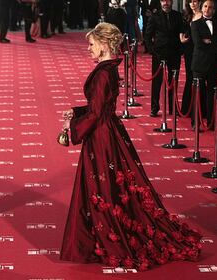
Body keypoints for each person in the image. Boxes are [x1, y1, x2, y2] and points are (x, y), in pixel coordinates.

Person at [60, 22, 202, 271]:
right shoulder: (109, 68)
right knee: (110, 188)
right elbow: (99, 106)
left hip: (102, 136)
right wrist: (75, 111)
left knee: (104, 188)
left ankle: (104, 237)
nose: (89, 49)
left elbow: (95, 114)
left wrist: (71, 131)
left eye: (92, 45)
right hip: (108, 131)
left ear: (104, 44)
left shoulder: (104, 73)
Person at [145, 0, 183, 117]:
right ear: (160, 2)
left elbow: (183, 31)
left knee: (173, 81)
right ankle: (154, 108)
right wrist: (152, 50)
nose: (165, 3)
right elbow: (147, 35)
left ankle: (173, 108)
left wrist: (181, 49)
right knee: (157, 81)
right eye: (163, 1)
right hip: (159, 53)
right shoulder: (154, 16)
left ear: (171, 2)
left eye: (168, 1)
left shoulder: (178, 15)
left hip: (174, 53)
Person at [191, 0, 217, 129]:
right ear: (202, 8)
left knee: (212, 95)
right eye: (206, 6)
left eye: (210, 7)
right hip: (200, 64)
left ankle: (211, 122)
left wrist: (210, 41)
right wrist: (212, 42)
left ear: (214, 10)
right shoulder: (195, 24)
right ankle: (195, 122)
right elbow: (198, 43)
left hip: (214, 64)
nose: (208, 9)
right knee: (198, 94)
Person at [180, 0, 202, 119]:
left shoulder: (203, 15)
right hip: (189, 49)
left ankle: (200, 109)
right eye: (190, 2)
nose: (192, 4)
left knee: (199, 78)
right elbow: (182, 30)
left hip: (200, 50)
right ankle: (187, 108)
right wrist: (181, 37)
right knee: (190, 77)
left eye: (194, 1)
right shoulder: (187, 15)